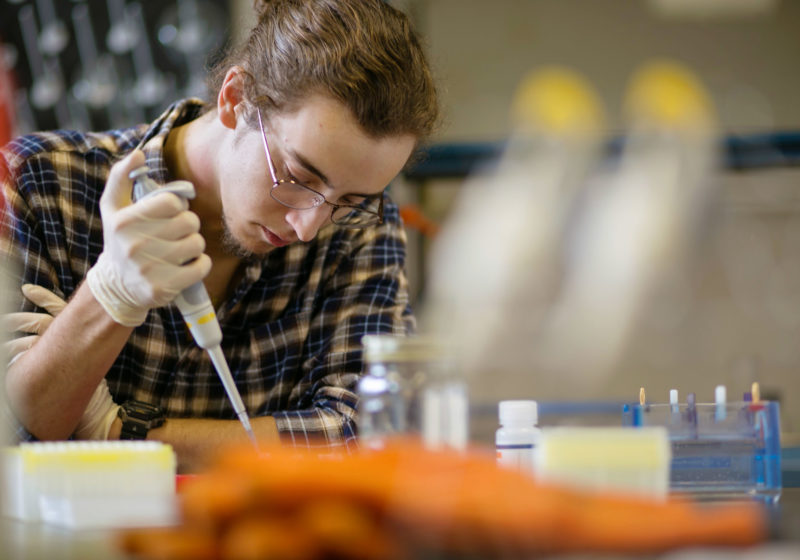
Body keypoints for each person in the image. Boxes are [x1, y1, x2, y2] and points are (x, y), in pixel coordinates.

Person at [0, 0, 438, 472]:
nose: (309, 228)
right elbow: (14, 431)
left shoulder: (361, 230)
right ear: (236, 99)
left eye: (350, 200)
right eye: (299, 176)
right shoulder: (38, 185)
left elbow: (373, 433)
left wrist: (120, 431)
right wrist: (108, 296)